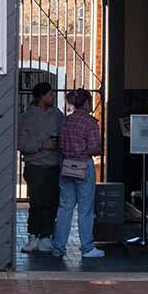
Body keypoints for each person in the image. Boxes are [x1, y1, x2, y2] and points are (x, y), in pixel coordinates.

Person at [52, 88, 105, 259]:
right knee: (85, 208)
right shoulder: (89, 122)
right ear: (87, 103)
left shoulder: (66, 121)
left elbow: (60, 144)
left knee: (65, 207)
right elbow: (95, 148)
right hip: (84, 164)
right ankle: (87, 247)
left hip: (67, 165)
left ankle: (58, 247)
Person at [17, 82, 63, 253]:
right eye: (50, 94)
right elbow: (20, 143)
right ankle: (33, 236)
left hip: (53, 165)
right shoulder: (26, 117)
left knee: (51, 203)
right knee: (35, 202)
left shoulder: (58, 115)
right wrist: (41, 144)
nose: (53, 97)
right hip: (34, 166)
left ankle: (46, 236)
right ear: (41, 96)